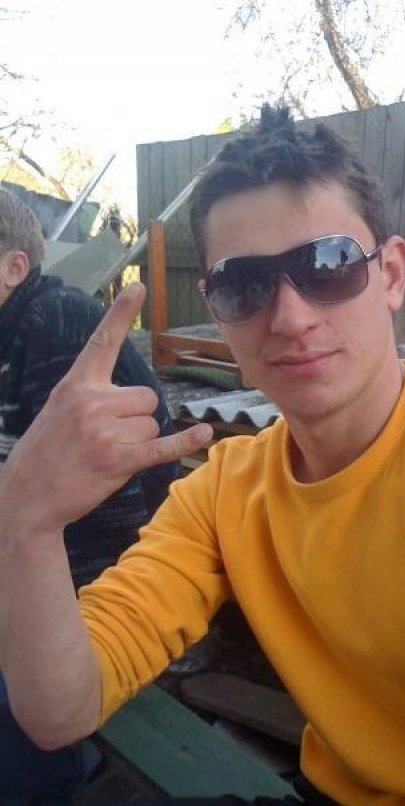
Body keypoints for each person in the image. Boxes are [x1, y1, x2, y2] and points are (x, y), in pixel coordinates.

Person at [1, 105, 405, 804]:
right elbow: (61, 712)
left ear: (392, 275)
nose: (290, 317)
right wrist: (26, 519)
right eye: (244, 285)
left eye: (328, 264)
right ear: (217, 310)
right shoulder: (225, 492)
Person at [0, 187, 181, 802]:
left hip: (116, 557)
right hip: (52, 545)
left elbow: (84, 505)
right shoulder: (9, 333)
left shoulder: (56, 322)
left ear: (14, 267)